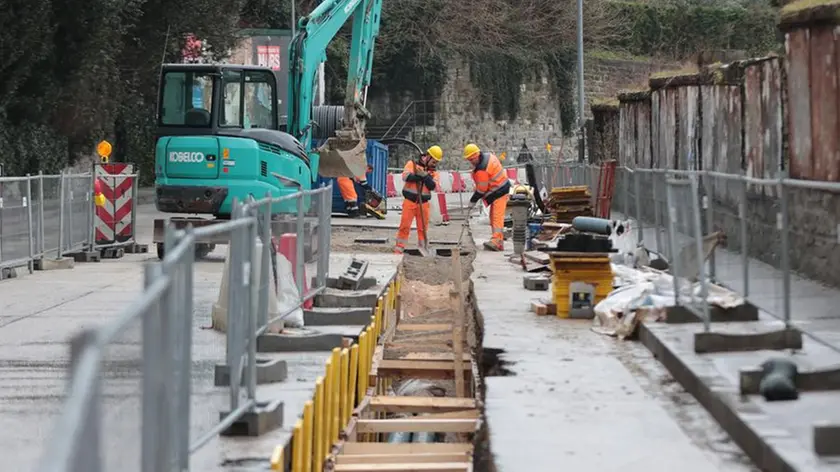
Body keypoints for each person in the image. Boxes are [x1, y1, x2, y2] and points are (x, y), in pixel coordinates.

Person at [394, 145, 443, 254]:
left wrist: (425, 176)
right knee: (404, 226)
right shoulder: (412, 164)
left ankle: (423, 247)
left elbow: (433, 186)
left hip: (424, 204)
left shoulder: (433, 173)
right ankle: (399, 248)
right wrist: (419, 176)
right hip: (410, 202)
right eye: (434, 162)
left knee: (423, 229)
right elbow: (406, 177)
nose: (435, 164)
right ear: (428, 157)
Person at [463, 143, 510, 251]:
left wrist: (472, 201)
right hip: (499, 188)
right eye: (469, 160)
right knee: (493, 216)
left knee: (497, 217)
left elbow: (481, 190)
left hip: (499, 191)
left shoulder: (482, 169)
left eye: (471, 159)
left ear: (476, 155)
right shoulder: (487, 157)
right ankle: (498, 241)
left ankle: (496, 241)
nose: (471, 162)